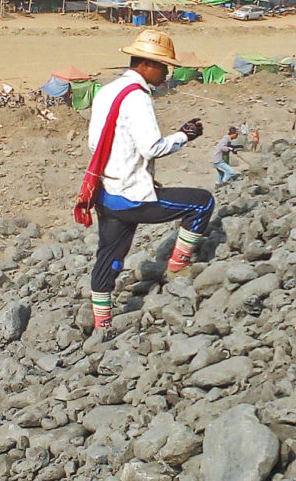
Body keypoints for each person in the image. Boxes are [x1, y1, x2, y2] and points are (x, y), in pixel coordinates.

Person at [80, 29, 214, 331]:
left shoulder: (107, 91)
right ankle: (178, 265)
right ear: (146, 65)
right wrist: (184, 135)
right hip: (131, 195)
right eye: (163, 66)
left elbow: (95, 144)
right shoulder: (138, 98)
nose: (166, 73)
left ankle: (102, 325)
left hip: (105, 191)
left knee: (109, 257)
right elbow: (152, 147)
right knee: (202, 203)